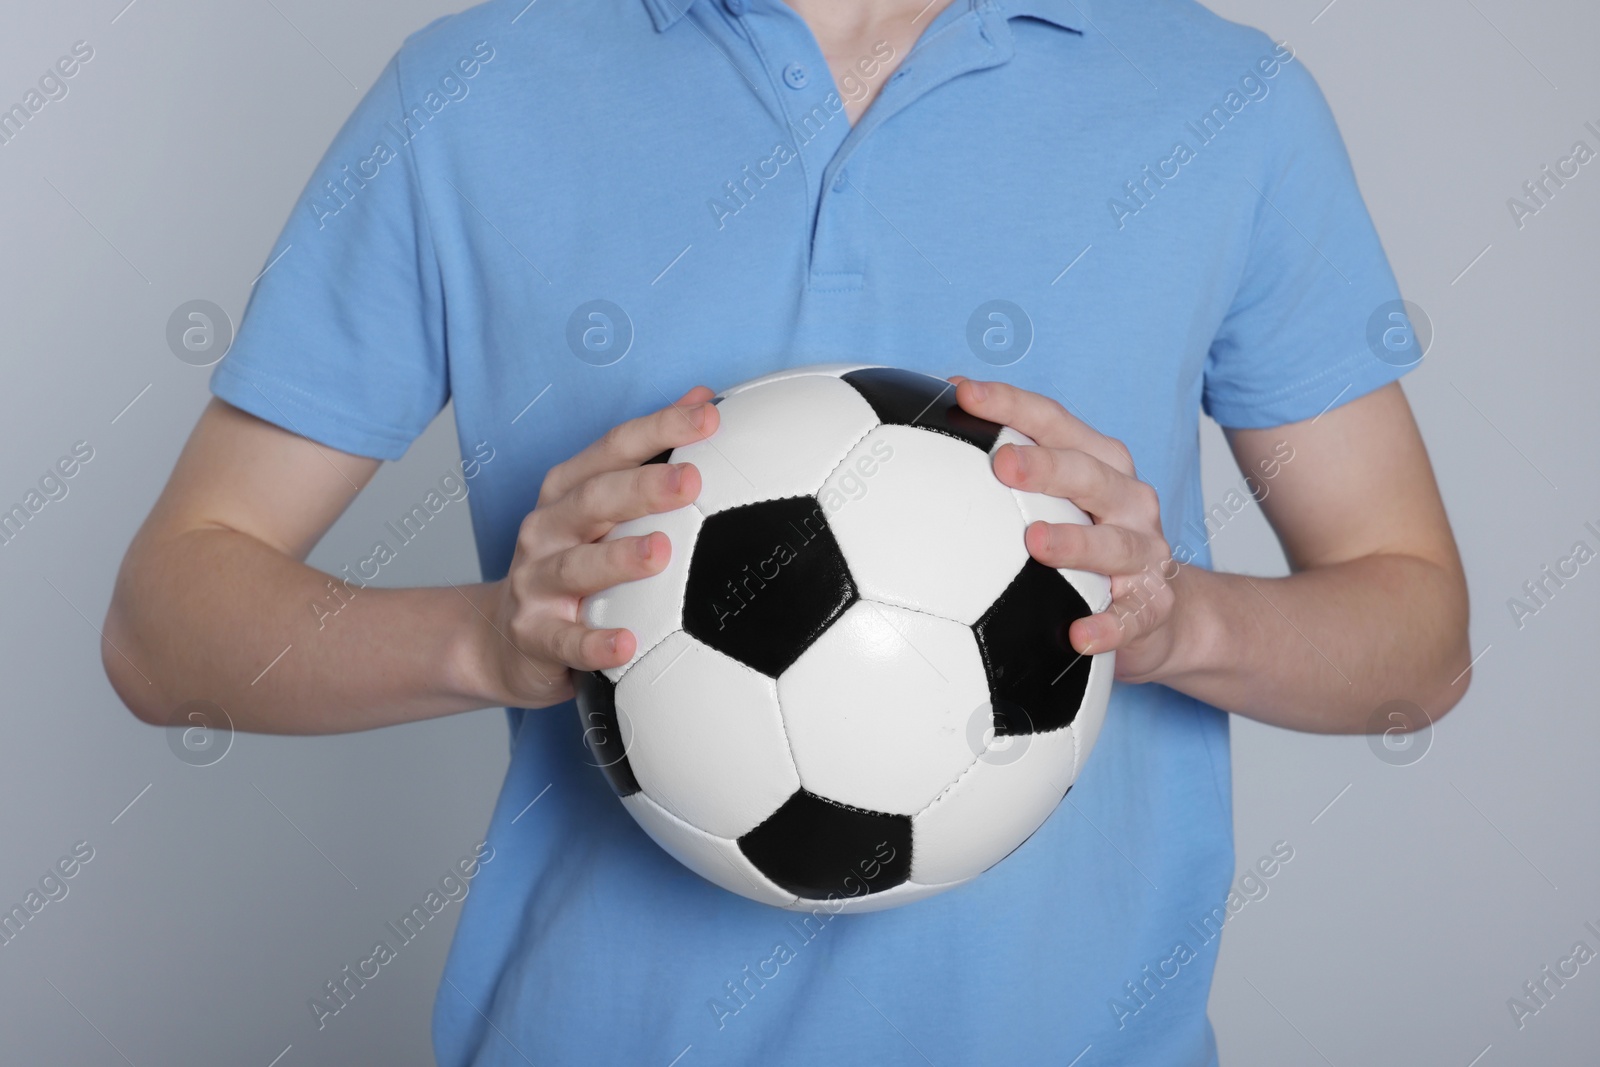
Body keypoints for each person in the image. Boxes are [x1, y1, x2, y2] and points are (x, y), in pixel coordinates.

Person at [103, 0, 1471, 1062]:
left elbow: (1418, 639)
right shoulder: (476, 89)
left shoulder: (1222, 106)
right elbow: (165, 632)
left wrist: (1185, 617)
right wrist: (487, 639)